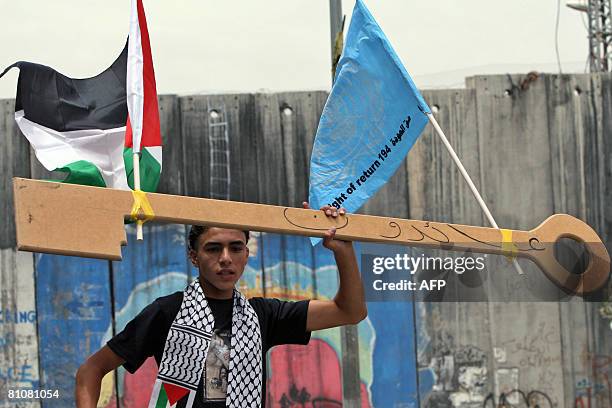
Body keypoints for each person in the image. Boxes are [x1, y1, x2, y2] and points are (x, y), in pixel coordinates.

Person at [75, 203, 367, 407]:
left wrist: (343, 251)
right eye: (213, 248)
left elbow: (350, 311)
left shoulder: (263, 316)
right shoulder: (167, 312)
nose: (225, 258)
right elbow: (91, 371)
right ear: (194, 256)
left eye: (235, 248)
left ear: (246, 254)